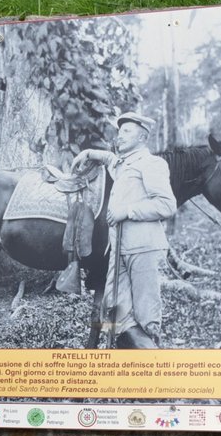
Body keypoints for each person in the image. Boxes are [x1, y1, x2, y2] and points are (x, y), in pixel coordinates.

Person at [72, 112, 177, 348]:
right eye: (119, 132)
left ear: (142, 137)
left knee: (146, 313)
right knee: (117, 306)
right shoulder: (122, 164)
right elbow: (110, 159)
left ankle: (151, 363)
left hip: (145, 248)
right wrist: (89, 153)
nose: (120, 136)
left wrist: (127, 210)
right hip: (120, 248)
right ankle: (139, 354)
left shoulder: (152, 164)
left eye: (126, 131)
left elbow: (167, 204)